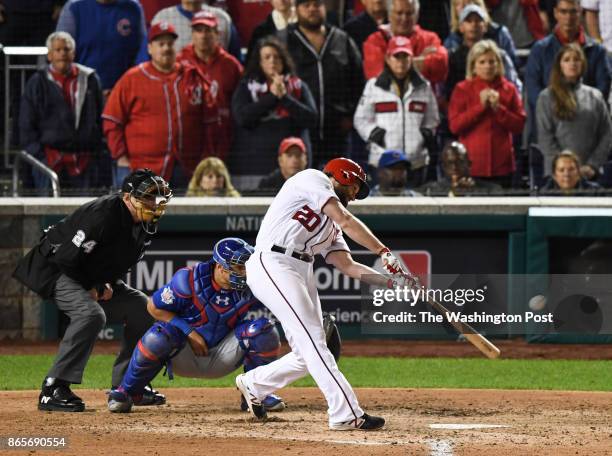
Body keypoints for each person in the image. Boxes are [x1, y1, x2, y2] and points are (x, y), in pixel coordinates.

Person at [236, 157, 410, 430]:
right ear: (341, 176)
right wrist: (383, 251)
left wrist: (391, 283)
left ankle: (254, 383)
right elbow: (346, 218)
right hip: (273, 260)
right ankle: (346, 413)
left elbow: (347, 265)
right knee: (314, 341)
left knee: (310, 351)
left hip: (301, 267)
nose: (355, 193)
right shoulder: (312, 179)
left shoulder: (330, 225)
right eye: (354, 186)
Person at [12, 169, 172, 412]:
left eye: (158, 198)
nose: (154, 204)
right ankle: (53, 388)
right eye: (148, 197)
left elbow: (115, 261)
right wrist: (96, 286)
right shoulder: (103, 214)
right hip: (56, 268)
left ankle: (128, 386)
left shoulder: (144, 223)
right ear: (127, 197)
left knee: (143, 308)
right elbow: (67, 258)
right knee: (90, 315)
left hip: (87, 273)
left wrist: (105, 283)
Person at [107, 238, 288, 413]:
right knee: (158, 335)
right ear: (220, 267)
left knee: (264, 331)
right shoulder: (189, 280)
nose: (245, 273)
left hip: (224, 353)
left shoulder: (252, 285)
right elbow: (153, 307)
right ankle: (129, 392)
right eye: (239, 268)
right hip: (183, 352)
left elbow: (281, 303)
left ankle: (256, 394)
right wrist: (190, 332)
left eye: (246, 267)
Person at [103, 22, 219, 190]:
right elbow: (112, 120)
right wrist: (120, 156)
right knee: (142, 216)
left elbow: (211, 119)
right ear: (149, 48)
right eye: (161, 44)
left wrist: (208, 156)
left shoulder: (192, 77)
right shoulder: (132, 79)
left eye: (170, 44)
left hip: (188, 168)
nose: (166, 48)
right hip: (142, 169)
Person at [278, 0, 364, 167]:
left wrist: (350, 114)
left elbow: (359, 81)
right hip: (298, 130)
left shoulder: (342, 39)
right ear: (297, 8)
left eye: (317, 4)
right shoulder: (283, 39)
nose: (312, 9)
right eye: (306, 5)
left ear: (324, 7)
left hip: (337, 130)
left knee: (339, 184)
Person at [19, 31, 104, 195]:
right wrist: (40, 157)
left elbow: (100, 118)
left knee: (85, 215)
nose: (62, 54)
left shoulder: (90, 79)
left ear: (74, 53)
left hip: (84, 161)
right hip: (48, 162)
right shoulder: (37, 82)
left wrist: (96, 151)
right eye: (57, 50)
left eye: (66, 49)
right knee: (48, 216)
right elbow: (26, 124)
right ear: (49, 55)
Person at [228, 36, 317, 191]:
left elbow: (311, 119)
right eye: (267, 57)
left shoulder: (298, 86)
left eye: (277, 57)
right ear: (260, 62)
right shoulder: (246, 86)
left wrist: (285, 97)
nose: (272, 61)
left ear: (284, 60)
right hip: (257, 165)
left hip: (294, 169)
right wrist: (273, 97)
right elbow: (242, 117)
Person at [354, 36, 439, 187]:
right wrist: (373, 134)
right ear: (387, 58)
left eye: (405, 56)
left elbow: (432, 118)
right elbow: (360, 119)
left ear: (411, 59)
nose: (401, 61)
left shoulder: (424, 86)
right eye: (396, 56)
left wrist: (425, 134)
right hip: (383, 160)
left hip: (416, 161)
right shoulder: (374, 86)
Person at [525, 0, 611, 139]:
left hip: (587, 128)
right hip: (549, 128)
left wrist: (581, 112)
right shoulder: (540, 50)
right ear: (555, 13)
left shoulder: (597, 51)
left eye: (573, 12)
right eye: (563, 12)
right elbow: (533, 88)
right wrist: (556, 111)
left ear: (581, 13)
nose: (568, 17)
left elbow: (602, 89)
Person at [448, 40, 526, 188]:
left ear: (498, 64)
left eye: (492, 62)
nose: (487, 66)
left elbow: (519, 125)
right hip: (472, 166)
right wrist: (480, 107)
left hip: (502, 166)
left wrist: (499, 109)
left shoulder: (509, 89)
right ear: (474, 66)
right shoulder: (462, 89)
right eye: (482, 62)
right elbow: (455, 126)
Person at [535, 44, 612, 178]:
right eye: (567, 59)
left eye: (576, 59)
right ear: (560, 65)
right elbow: (545, 137)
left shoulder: (595, 95)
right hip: (558, 175)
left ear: (583, 64)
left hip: (590, 173)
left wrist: (592, 165)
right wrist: (565, 168)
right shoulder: (546, 97)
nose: (572, 63)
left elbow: (607, 133)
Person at [178, 11, 243, 161]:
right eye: (198, 30)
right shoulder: (180, 62)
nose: (203, 35)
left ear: (217, 34)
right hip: (191, 133)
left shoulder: (231, 65)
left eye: (208, 30)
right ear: (192, 34)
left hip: (223, 135)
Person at [56, 0, 147, 94]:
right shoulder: (74, 7)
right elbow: (59, 54)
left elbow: (142, 53)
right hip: (82, 93)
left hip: (123, 92)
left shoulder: (133, 7)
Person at [445, 4, 522, 101]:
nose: (474, 24)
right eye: (469, 21)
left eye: (478, 21)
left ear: (485, 26)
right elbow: (448, 93)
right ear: (461, 27)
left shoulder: (500, 55)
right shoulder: (453, 58)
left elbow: (514, 86)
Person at [362, 0, 448, 83]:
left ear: (417, 15)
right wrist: (420, 63)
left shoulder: (429, 39)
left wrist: (394, 66)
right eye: (399, 13)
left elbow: (441, 66)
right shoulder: (375, 41)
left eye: (409, 13)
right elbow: (377, 76)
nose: (404, 18)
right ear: (389, 15)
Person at [152, 0, 242, 62]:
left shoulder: (222, 18)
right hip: (176, 84)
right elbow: (149, 61)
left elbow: (235, 59)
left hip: (216, 83)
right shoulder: (162, 18)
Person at [445, 0, 517, 65]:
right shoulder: (452, 42)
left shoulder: (499, 33)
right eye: (458, 4)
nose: (473, 24)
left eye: (467, 3)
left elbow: (513, 64)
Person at [418, 141, 503, 196]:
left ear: (469, 164)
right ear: (444, 167)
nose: (455, 167)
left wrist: (472, 191)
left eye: (459, 162)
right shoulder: (429, 190)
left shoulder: (491, 190)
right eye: (450, 163)